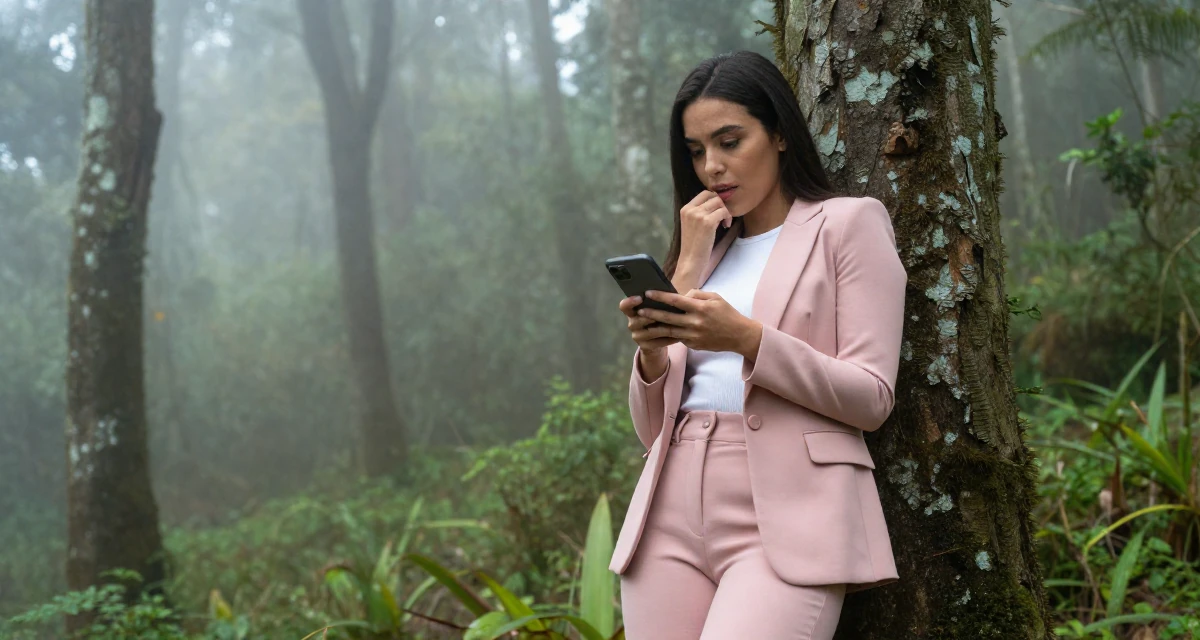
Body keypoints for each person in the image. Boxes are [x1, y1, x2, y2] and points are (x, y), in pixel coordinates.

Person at [608, 50, 908, 640]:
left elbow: (872, 397)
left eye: (729, 141)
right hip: (668, 511)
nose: (712, 167)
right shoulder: (703, 255)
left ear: (779, 135)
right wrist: (654, 343)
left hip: (789, 516)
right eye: (696, 151)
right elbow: (651, 431)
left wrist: (747, 340)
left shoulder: (847, 224)